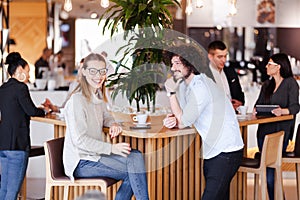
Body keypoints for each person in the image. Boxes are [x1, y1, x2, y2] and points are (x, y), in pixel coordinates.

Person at [62, 53, 149, 200]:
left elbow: (106, 116)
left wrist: (113, 123)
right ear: (83, 72)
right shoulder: (76, 100)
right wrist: (112, 148)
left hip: (96, 156)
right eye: (93, 71)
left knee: (136, 157)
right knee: (134, 169)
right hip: (82, 162)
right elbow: (80, 140)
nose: (99, 76)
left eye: (102, 71)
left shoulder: (97, 96)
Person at [163, 44, 244, 200]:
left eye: (178, 63)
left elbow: (184, 120)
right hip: (215, 152)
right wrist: (175, 117)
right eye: (172, 64)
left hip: (225, 152)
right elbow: (185, 116)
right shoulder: (191, 86)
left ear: (190, 63)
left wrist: (171, 93)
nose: (173, 68)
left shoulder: (200, 87)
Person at [0, 52, 50, 199]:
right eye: (27, 72)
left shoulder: (2, 89)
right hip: (18, 146)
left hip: (3, 144)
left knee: (4, 188)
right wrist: (45, 111)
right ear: (20, 70)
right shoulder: (21, 88)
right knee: (13, 191)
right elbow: (30, 111)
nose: (28, 76)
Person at [253, 53, 300, 200]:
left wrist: (282, 111)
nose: (266, 66)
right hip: (264, 133)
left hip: (280, 134)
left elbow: (295, 107)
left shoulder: (291, 83)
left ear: (278, 67)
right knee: (267, 171)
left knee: (270, 172)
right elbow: (258, 104)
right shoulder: (267, 85)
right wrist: (255, 110)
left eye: (269, 64)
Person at [208, 40, 245, 110]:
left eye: (225, 56)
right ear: (210, 57)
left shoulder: (231, 72)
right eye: (220, 57)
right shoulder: (202, 75)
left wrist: (239, 103)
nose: (224, 60)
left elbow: (240, 95)